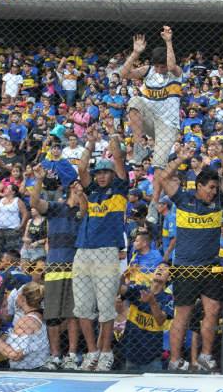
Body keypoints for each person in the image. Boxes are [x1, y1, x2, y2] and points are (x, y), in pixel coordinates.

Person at [158, 142, 223, 372]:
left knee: (213, 310)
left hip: (210, 268)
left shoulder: (220, 201)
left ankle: (206, 356)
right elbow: (163, 178)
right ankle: (176, 360)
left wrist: (221, 155)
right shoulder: (183, 199)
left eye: (215, 188)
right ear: (198, 186)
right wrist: (181, 158)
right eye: (209, 187)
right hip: (185, 268)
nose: (213, 191)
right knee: (183, 316)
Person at [71, 123, 129, 372]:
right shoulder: (91, 192)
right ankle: (92, 352)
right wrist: (91, 143)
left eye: (106, 173)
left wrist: (112, 133)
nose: (102, 176)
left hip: (107, 251)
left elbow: (117, 158)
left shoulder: (120, 190)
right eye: (99, 174)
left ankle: (106, 353)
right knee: (82, 307)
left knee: (106, 308)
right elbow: (82, 168)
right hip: (82, 251)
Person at [120, 26, 183, 223]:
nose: (160, 69)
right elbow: (123, 73)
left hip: (167, 126)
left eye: (161, 66)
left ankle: (153, 207)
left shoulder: (175, 74)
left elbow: (172, 65)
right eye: (157, 66)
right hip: (150, 119)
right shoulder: (148, 71)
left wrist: (169, 41)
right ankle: (139, 147)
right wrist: (136, 52)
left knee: (158, 166)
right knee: (134, 102)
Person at [29, 166, 83, 370]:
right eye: (78, 188)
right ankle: (55, 356)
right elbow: (35, 203)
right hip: (53, 265)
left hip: (75, 267)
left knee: (72, 314)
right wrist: (39, 181)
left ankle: (71, 355)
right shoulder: (56, 208)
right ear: (71, 188)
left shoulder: (83, 211)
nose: (80, 191)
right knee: (52, 314)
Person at [0, 282, 51, 370]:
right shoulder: (38, 315)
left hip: (28, 372)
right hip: (34, 368)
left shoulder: (26, 321)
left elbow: (15, 355)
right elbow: (17, 346)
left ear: (23, 299)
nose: (15, 298)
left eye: (17, 295)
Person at [119, 262, 172, 372]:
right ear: (152, 274)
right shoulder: (140, 289)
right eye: (158, 267)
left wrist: (152, 302)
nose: (161, 269)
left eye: (165, 268)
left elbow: (161, 320)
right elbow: (121, 289)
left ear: (169, 277)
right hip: (131, 354)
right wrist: (121, 274)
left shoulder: (168, 298)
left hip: (152, 358)